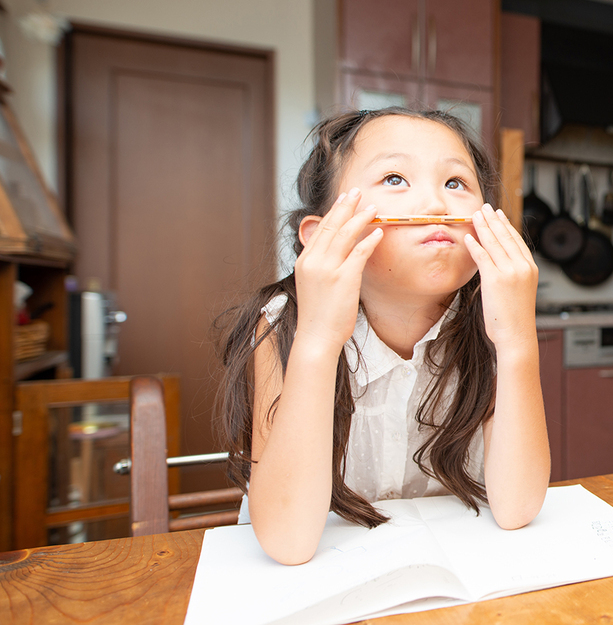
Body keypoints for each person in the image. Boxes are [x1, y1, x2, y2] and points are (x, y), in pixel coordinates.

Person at [216, 107, 550, 565]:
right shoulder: (283, 323)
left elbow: (517, 509)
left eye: (455, 183)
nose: (436, 205)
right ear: (323, 235)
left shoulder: (492, 319)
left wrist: (516, 342)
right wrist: (318, 339)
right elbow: (287, 543)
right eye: (395, 178)